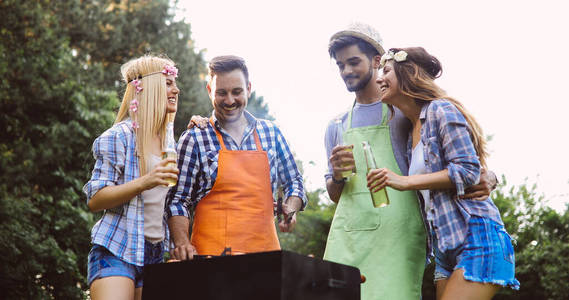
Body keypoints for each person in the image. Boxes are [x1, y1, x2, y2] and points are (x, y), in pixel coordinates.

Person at [323, 23, 499, 300]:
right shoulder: (337, 125)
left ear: (377, 61)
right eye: (340, 65)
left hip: (401, 239)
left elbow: (462, 157)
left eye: (353, 62)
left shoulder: (406, 112)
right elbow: (335, 196)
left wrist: (490, 176)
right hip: (350, 240)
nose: (346, 71)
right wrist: (336, 175)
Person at [369, 47, 520, 299]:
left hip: (476, 237)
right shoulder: (410, 133)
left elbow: (468, 170)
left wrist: (406, 182)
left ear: (407, 74)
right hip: (444, 247)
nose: (378, 79)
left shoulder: (441, 110)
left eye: (385, 71)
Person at [167, 55, 305, 260]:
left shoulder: (271, 133)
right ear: (209, 91)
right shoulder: (195, 137)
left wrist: (290, 208)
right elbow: (178, 200)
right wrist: (182, 243)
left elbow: (294, 181)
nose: (230, 101)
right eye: (221, 93)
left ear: (248, 88)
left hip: (266, 259)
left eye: (237, 92)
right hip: (210, 259)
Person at [83, 55, 181, 299]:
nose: (176, 89)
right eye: (168, 83)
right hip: (117, 249)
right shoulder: (119, 137)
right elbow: (95, 199)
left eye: (174, 84)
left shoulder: (170, 142)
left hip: (154, 254)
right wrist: (145, 182)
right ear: (147, 87)